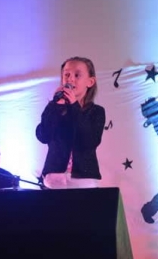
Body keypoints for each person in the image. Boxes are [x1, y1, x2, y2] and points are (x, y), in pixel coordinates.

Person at [35, 56, 106, 189]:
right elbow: (43, 135)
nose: (70, 79)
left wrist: (74, 106)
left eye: (77, 75)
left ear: (90, 82)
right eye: (66, 75)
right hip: (54, 177)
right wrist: (54, 106)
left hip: (83, 178)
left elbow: (90, 141)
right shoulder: (55, 108)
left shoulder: (96, 111)